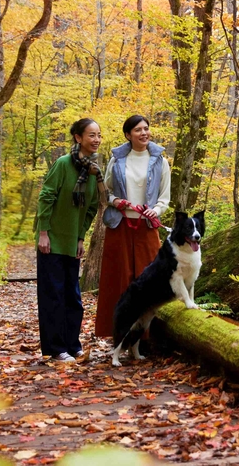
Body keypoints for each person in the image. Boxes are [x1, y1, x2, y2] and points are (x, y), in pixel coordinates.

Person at [35, 118, 105, 362]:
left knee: (73, 296)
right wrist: (43, 233)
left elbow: (91, 208)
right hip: (52, 239)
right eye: (91, 135)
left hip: (71, 242)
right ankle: (55, 349)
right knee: (53, 295)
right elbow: (46, 197)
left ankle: (72, 344)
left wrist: (80, 238)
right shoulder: (63, 164)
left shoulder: (93, 170)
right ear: (78, 137)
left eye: (99, 135)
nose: (96, 139)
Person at [94, 114, 171, 338]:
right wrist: (115, 201)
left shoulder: (160, 161)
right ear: (128, 135)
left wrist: (154, 211)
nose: (144, 133)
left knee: (151, 282)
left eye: (146, 128)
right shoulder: (117, 160)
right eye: (138, 130)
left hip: (147, 228)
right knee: (119, 281)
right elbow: (104, 191)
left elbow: (164, 198)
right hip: (120, 227)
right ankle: (119, 335)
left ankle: (148, 338)